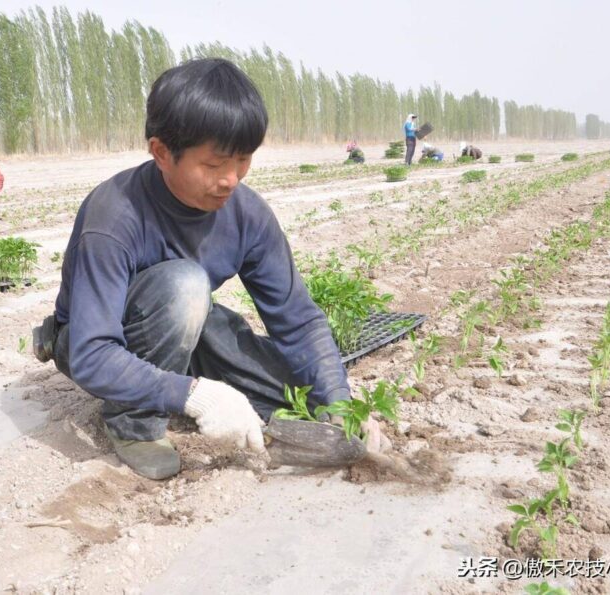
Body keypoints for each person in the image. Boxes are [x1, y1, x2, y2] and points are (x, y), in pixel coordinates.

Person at [33, 58, 382, 480]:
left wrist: (339, 400)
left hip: (185, 327)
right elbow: (92, 353)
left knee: (295, 393)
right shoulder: (115, 215)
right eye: (214, 165)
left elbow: (299, 321)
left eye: (243, 161)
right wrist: (194, 395)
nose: (231, 180)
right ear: (161, 152)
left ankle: (190, 383)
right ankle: (134, 423)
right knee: (186, 285)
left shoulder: (247, 214)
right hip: (95, 340)